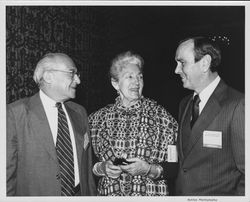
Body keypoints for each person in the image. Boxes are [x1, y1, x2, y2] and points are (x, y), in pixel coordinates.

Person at [89, 51, 178, 196]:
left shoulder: (163, 117)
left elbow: (176, 165)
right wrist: (102, 168)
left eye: (140, 77)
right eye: (129, 76)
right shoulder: (97, 119)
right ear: (115, 83)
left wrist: (149, 169)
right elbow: (85, 163)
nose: (136, 82)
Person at [7, 53, 96, 196]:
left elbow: (87, 173)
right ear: (48, 76)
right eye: (72, 73)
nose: (78, 80)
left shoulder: (80, 112)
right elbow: (6, 179)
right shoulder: (14, 114)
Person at [174, 36, 245, 196]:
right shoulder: (184, 104)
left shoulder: (238, 105)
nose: (176, 70)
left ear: (205, 63)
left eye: (182, 63)